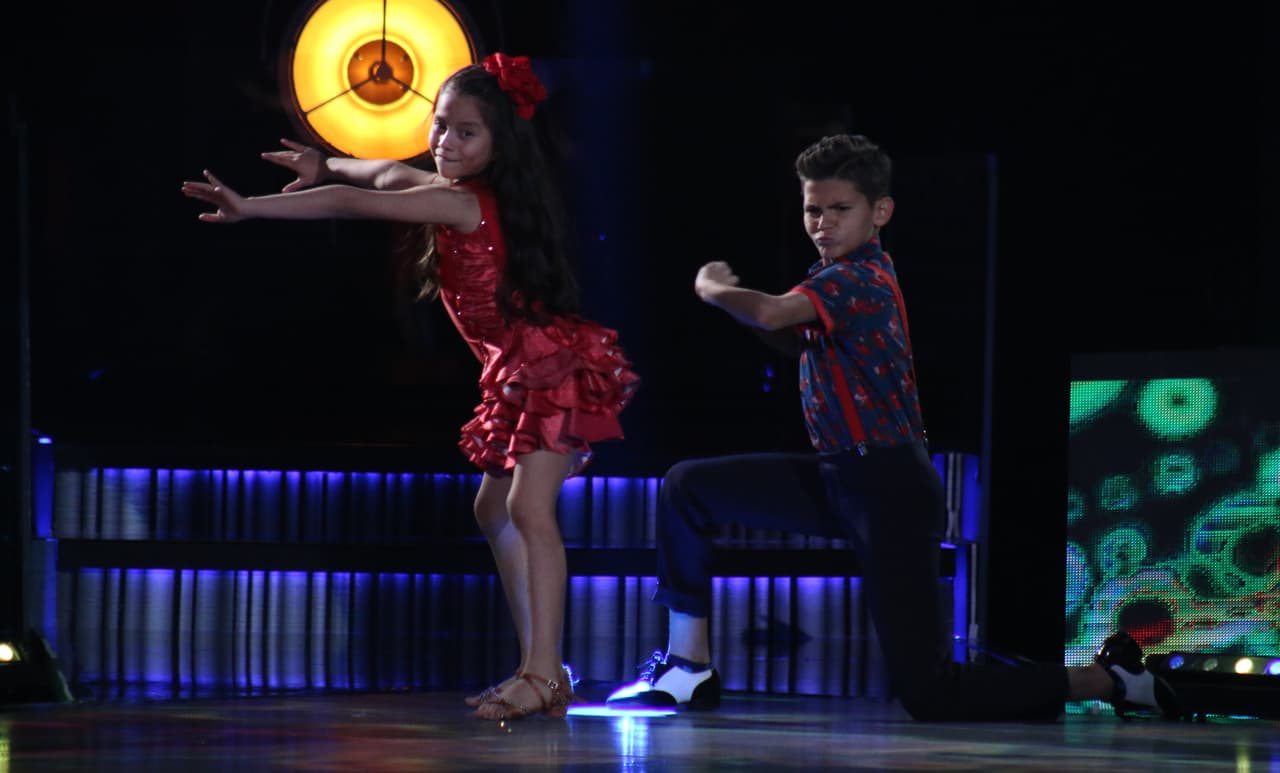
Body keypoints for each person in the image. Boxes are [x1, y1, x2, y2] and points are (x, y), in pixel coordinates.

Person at [605, 133, 1176, 721]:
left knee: (931, 693)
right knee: (687, 487)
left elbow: (774, 312)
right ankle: (688, 666)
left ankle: (1107, 680)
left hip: (889, 489)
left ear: (880, 212)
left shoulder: (858, 279)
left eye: (839, 209)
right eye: (812, 209)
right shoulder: (829, 280)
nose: (822, 223)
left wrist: (714, 290)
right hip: (839, 478)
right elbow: (784, 334)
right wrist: (742, 309)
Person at [182, 53, 639, 721]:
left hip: (547, 370)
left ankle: (544, 672)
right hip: (516, 375)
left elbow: (357, 199)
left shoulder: (460, 203)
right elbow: (383, 171)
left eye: (466, 133)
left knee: (529, 511)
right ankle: (540, 667)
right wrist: (325, 161)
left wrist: (250, 206)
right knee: (493, 509)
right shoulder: (456, 190)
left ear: (498, 143)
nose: (445, 143)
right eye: (441, 125)